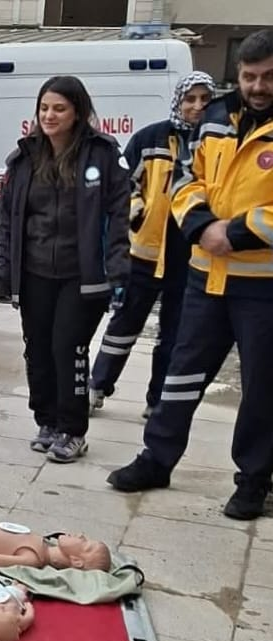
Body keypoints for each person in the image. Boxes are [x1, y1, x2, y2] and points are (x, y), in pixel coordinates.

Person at [108, 30, 273, 521]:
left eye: (268, 77)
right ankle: (157, 459)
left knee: (262, 388)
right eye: (249, 76)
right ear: (238, 74)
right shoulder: (216, 117)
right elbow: (185, 176)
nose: (258, 86)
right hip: (206, 274)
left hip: (262, 285)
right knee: (181, 373)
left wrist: (234, 233)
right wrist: (202, 225)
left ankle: (254, 481)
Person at [0, 75, 130, 464]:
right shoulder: (24, 157)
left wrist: (118, 271)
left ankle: (73, 430)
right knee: (37, 350)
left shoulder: (102, 155)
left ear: (78, 112)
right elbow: (8, 220)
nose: (49, 116)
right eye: (44, 108)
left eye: (59, 108)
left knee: (68, 348)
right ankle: (47, 421)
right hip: (34, 272)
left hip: (82, 275)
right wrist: (5, 272)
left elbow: (119, 216)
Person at [89, 72, 216, 419]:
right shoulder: (151, 138)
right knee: (123, 326)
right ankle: (97, 385)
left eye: (205, 99)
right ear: (178, 101)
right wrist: (137, 212)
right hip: (145, 253)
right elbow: (122, 184)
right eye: (190, 99)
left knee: (175, 334)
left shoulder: (217, 143)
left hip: (192, 258)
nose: (197, 106)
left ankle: (157, 400)